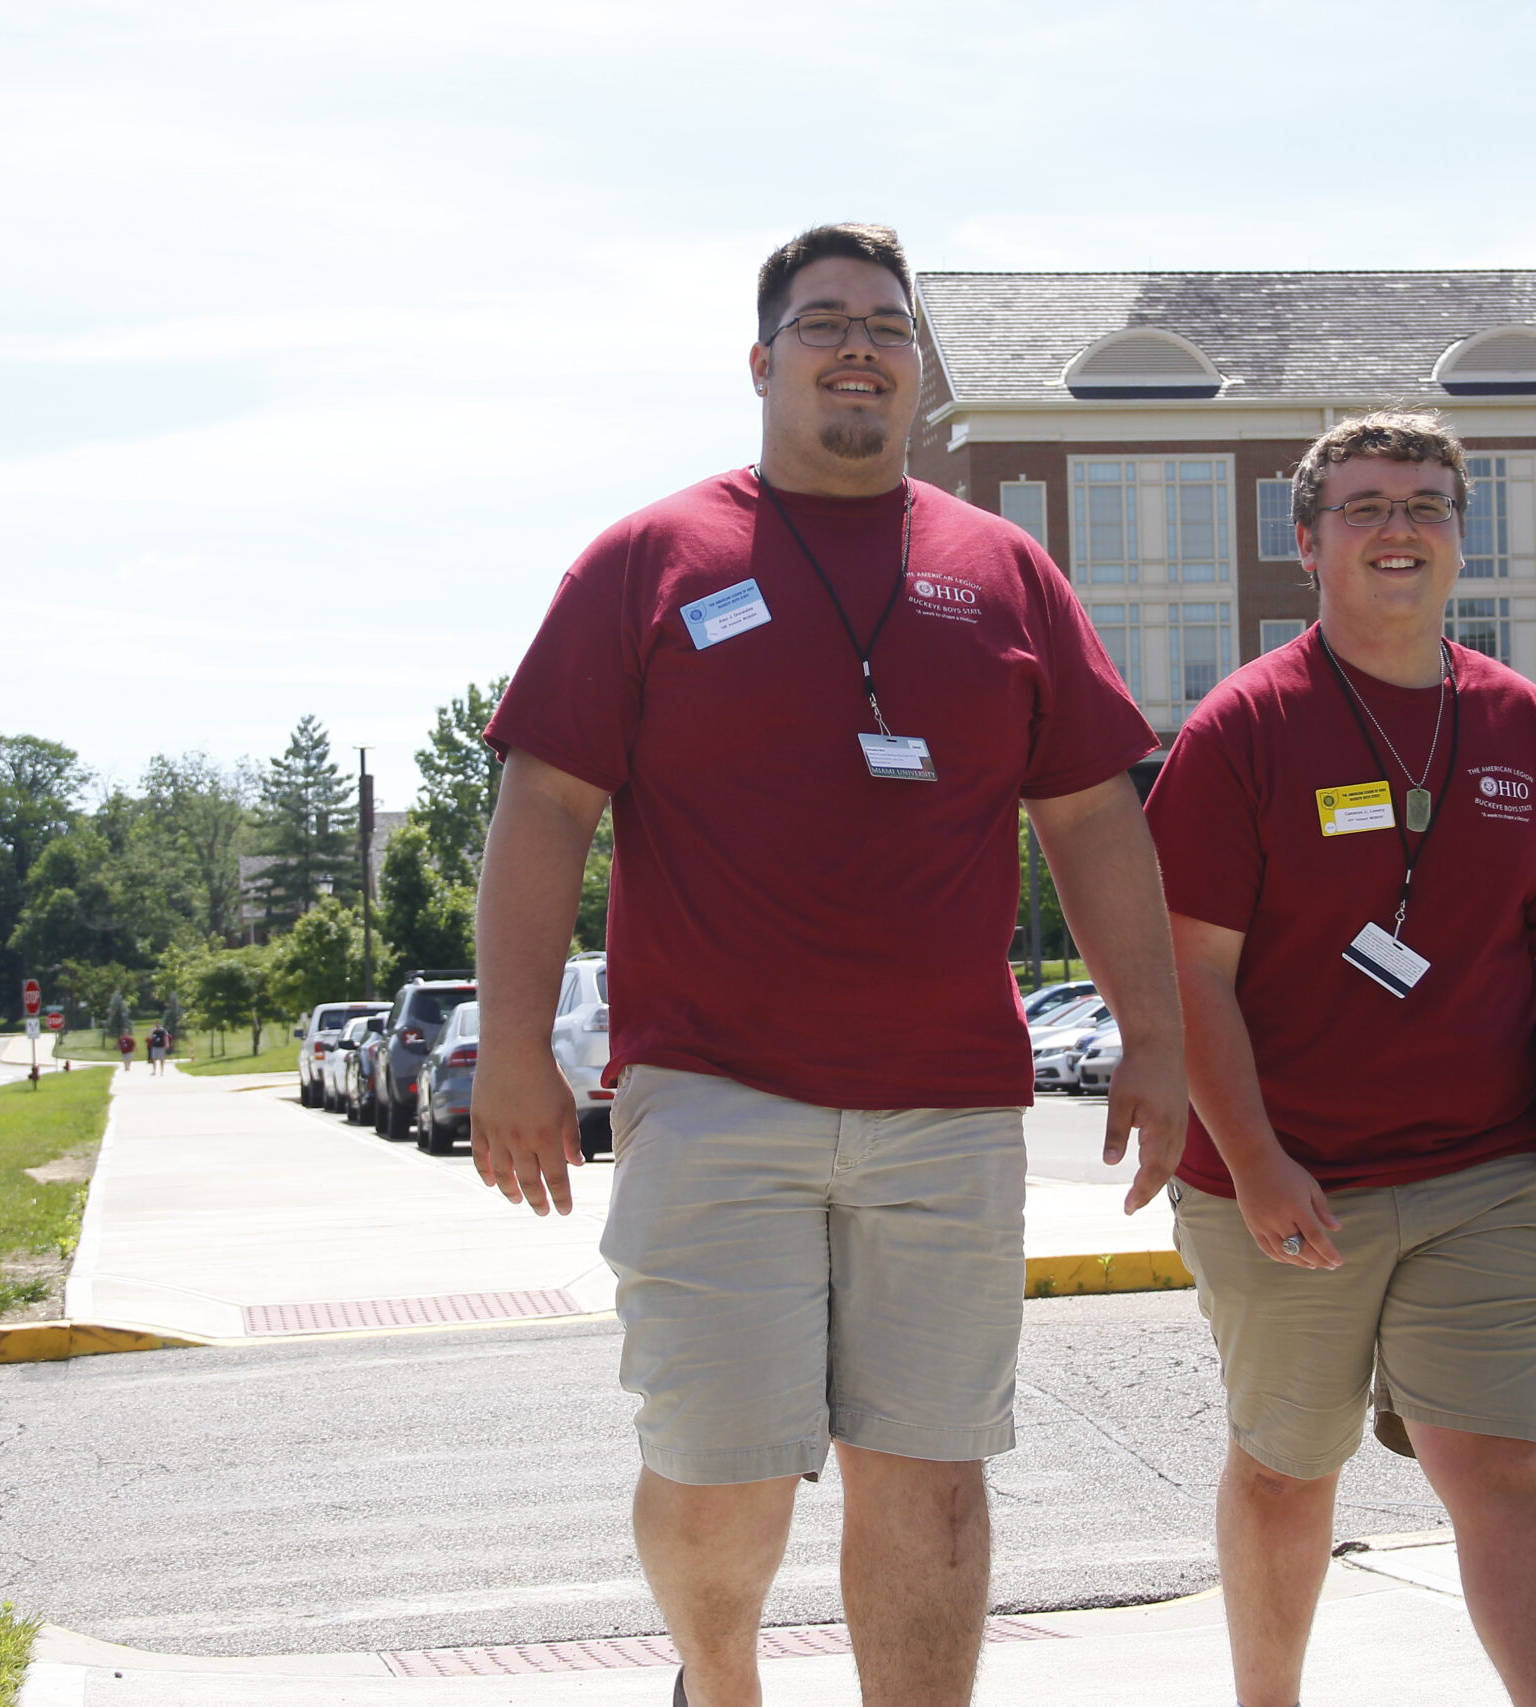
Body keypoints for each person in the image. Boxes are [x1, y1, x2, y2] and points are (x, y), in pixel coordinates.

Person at [473, 222, 1191, 1707]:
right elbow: (543, 802)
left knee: (931, 1481)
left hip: (949, 1103)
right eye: (822, 323)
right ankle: (716, 1681)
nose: (857, 345)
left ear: (918, 372)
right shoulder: (650, 559)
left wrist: (1156, 1035)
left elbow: (1095, 819)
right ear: (761, 361)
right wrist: (511, 1046)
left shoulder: (1003, 571)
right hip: (713, 1090)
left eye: (885, 324)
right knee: (721, 1479)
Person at [1145, 411, 1536, 1707]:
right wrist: (1257, 1162)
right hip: (1282, 1178)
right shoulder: (1242, 729)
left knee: (1505, 1463)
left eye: (1428, 505)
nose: (1398, 529)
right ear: (1307, 543)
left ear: (1460, 541)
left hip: (1488, 1167)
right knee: (1287, 1462)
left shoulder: (1526, 729)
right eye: (1366, 506)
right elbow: (1187, 968)